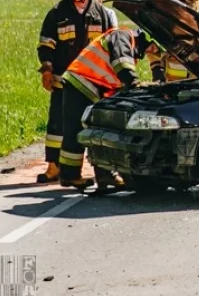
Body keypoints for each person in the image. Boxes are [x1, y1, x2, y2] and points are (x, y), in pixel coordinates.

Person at [35, 0, 114, 184]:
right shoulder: (58, 13)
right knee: (58, 126)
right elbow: (46, 44)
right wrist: (47, 69)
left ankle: (101, 171)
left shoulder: (101, 13)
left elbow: (110, 44)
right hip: (64, 82)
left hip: (93, 83)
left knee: (94, 124)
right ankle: (54, 167)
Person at [58, 28, 162, 190]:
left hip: (86, 84)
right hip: (83, 83)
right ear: (144, 39)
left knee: (91, 130)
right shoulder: (123, 36)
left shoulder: (126, 40)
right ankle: (74, 175)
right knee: (80, 130)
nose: (151, 52)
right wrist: (134, 84)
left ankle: (96, 176)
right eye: (151, 47)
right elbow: (121, 64)